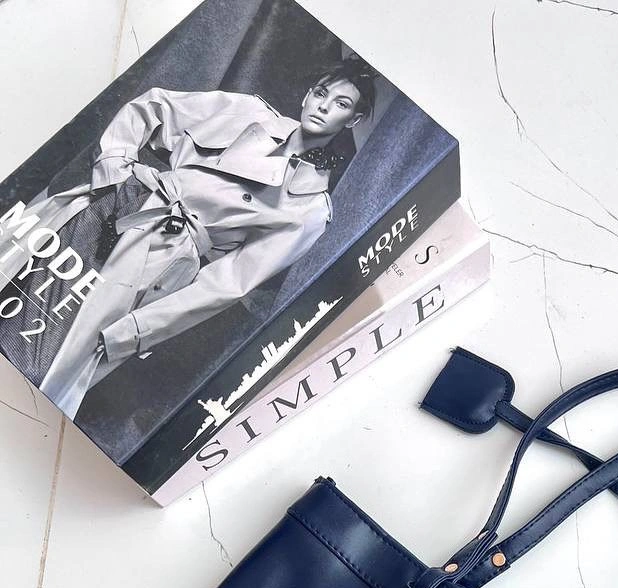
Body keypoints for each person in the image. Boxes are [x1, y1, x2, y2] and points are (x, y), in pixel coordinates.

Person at [0, 58, 376, 418]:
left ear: (353, 120)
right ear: (308, 94)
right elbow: (152, 107)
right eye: (321, 93)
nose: (324, 107)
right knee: (11, 288)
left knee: (33, 365)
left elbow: (225, 285)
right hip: (115, 205)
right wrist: (114, 173)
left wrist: (136, 330)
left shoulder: (311, 208)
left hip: (156, 260)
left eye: (341, 104)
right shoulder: (248, 113)